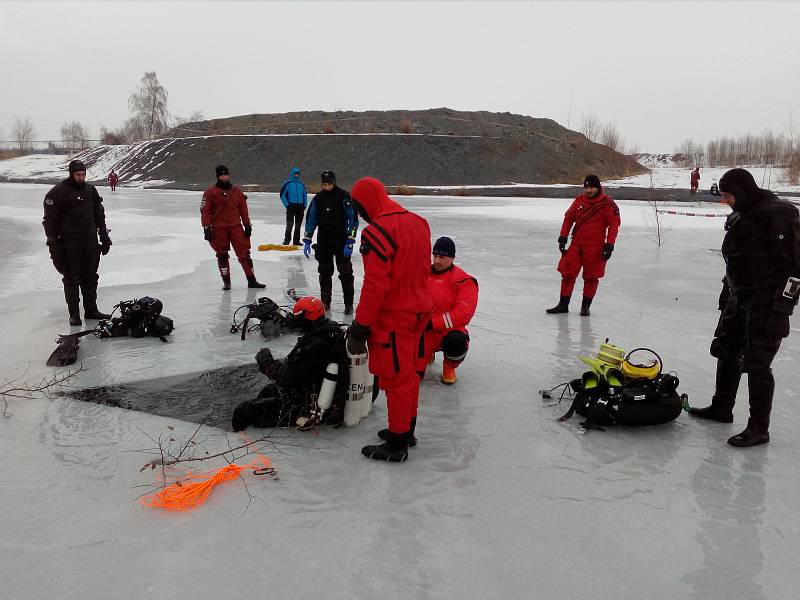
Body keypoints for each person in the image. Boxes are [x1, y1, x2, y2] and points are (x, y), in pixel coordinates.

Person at [688, 168, 800, 447]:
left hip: (767, 301)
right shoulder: (744, 211)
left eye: (728, 195)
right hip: (739, 297)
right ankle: (721, 407)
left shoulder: (779, 214)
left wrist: (782, 309)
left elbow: (795, 269)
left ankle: (759, 428)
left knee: (758, 363)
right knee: (726, 349)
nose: (726, 200)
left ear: (742, 191)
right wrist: (728, 293)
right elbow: (738, 259)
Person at [346, 176, 433, 462]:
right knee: (409, 374)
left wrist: (360, 327)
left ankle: (397, 445)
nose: (360, 214)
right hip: (419, 310)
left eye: (359, 208)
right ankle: (406, 431)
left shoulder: (377, 232)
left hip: (394, 316)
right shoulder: (419, 223)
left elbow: (376, 286)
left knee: (395, 378)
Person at [232, 296, 350, 431]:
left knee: (242, 411)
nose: (294, 319)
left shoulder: (311, 347)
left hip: (306, 407)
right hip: (318, 392)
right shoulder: (331, 331)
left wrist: (266, 362)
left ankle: (244, 442)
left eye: (297, 316)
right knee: (268, 391)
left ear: (305, 317)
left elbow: (287, 379)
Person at [43, 159, 112, 326]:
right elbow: (50, 220)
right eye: (78, 175)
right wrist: (52, 243)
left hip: (89, 240)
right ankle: (74, 314)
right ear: (71, 174)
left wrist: (104, 236)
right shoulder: (57, 193)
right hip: (68, 242)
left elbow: (99, 215)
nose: (81, 178)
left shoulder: (91, 190)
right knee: (71, 278)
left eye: (83, 174)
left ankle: (91, 310)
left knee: (90, 276)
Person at [546, 174, 620, 316]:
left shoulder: (607, 204)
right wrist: (563, 237)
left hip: (595, 248)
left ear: (598, 187)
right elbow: (569, 217)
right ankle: (563, 305)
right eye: (586, 187)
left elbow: (614, 225)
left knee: (591, 277)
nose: (588, 190)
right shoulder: (579, 200)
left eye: (591, 187)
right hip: (576, 245)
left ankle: (585, 307)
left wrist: (609, 245)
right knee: (567, 273)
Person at [418, 236, 479, 385]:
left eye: (442, 257)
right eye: (435, 256)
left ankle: (449, 366)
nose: (437, 261)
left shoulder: (464, 281)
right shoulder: (421, 274)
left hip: (446, 331)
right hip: (422, 331)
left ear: (452, 258)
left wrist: (433, 323)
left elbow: (463, 314)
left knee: (457, 341)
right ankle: (425, 355)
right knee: (414, 376)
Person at [200, 165, 265, 290]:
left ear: (229, 175)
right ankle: (226, 281)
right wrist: (206, 227)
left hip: (236, 227)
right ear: (218, 176)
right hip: (219, 229)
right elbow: (205, 211)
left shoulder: (237, 192)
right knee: (222, 255)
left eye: (226, 174)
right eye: (221, 175)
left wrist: (247, 225)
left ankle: (251, 280)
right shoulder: (210, 193)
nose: (224, 177)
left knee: (245, 254)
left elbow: (243, 210)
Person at [303, 170, 359, 313]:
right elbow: (311, 219)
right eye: (324, 184)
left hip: (341, 240)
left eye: (329, 184)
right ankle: (325, 303)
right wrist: (308, 239)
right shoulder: (318, 198)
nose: (326, 187)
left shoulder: (343, 196)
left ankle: (348, 304)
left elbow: (352, 219)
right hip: (324, 240)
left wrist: (350, 240)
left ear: (334, 183)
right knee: (325, 272)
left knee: (346, 273)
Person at [280, 167, 307, 246]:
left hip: (300, 207)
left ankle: (296, 241)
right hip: (291, 206)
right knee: (290, 224)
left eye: (297, 174)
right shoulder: (287, 183)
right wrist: (287, 205)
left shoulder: (301, 184)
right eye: (295, 173)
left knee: (298, 225)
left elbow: (305, 195)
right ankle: (286, 240)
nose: (296, 175)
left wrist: (304, 205)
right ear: (292, 174)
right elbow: (282, 195)